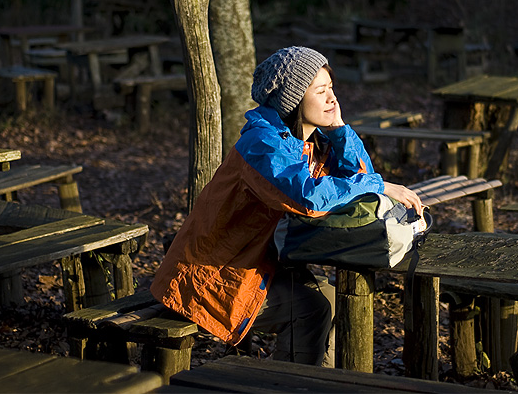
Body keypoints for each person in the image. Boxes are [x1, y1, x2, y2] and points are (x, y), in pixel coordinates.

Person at [151, 46, 423, 367]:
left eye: (332, 89)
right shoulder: (263, 144)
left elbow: (361, 180)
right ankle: (292, 385)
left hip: (254, 264)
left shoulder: (311, 144)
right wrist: (378, 185)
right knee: (312, 309)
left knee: (335, 300)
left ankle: (320, 383)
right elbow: (306, 197)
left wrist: (339, 132)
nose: (332, 99)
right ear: (292, 100)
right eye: (321, 91)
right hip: (209, 275)